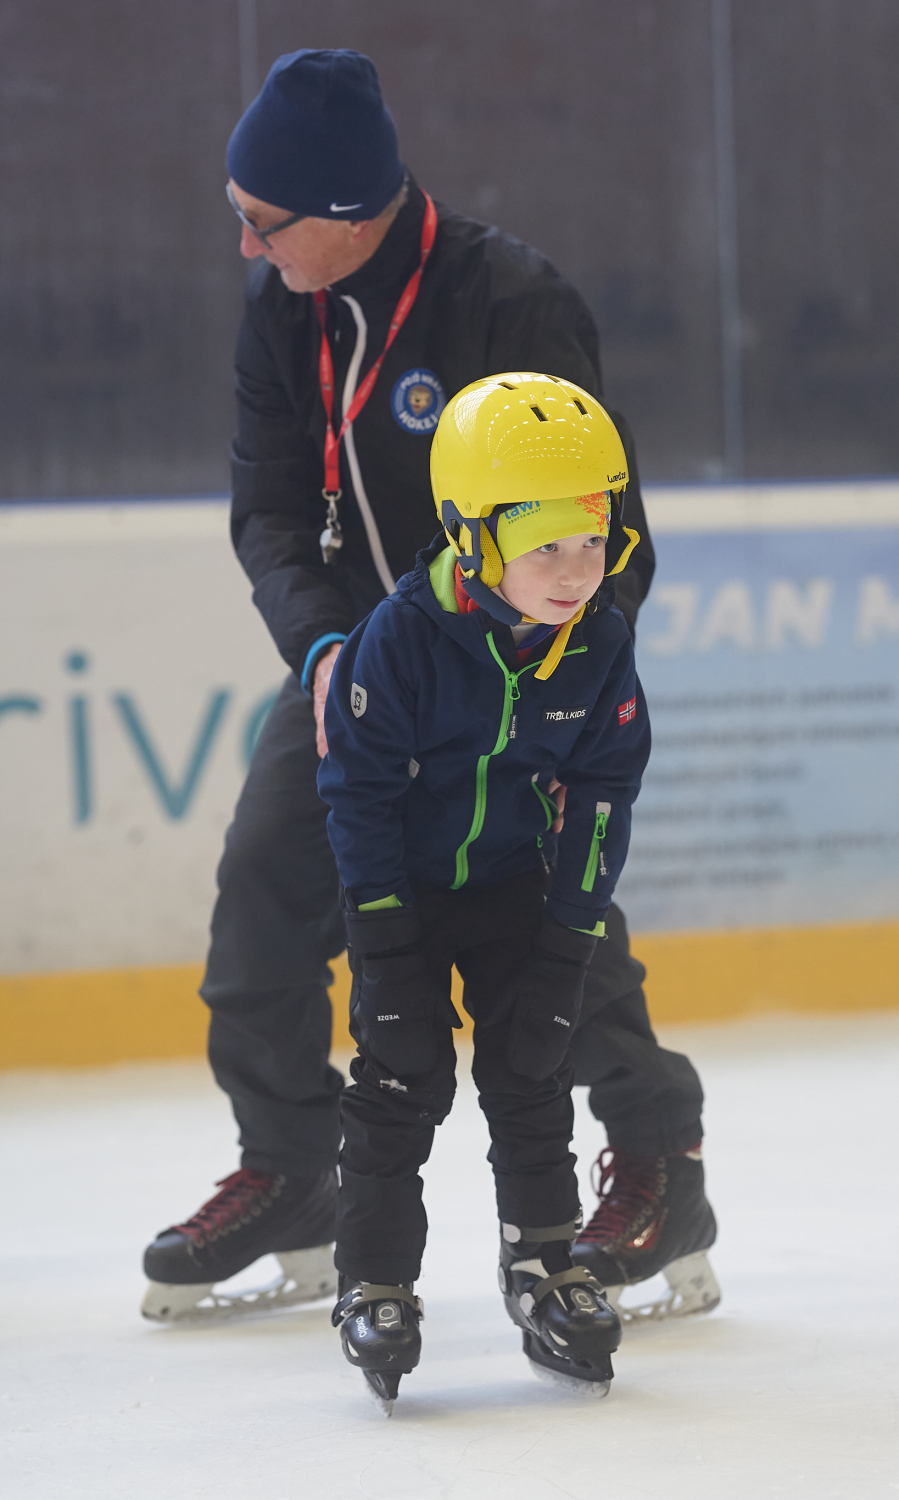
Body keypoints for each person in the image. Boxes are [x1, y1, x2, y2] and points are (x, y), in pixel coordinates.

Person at [140, 47, 718, 1325]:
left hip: (511, 672)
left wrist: (557, 677)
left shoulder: (508, 300)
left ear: (345, 211)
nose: (244, 245)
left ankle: (658, 1163)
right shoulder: (280, 311)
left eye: (261, 220)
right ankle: (292, 1169)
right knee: (264, 893)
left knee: (541, 932)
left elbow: (607, 525)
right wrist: (324, 655)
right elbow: (269, 514)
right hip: (356, 669)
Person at [323, 372, 649, 1411]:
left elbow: (605, 790)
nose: (575, 572)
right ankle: (375, 1281)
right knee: (401, 1074)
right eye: (545, 547)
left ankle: (544, 1264)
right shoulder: (401, 638)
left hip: (513, 882)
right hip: (404, 894)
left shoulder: (597, 639)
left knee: (531, 1066)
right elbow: (358, 794)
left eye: (593, 542)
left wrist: (570, 939)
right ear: (472, 538)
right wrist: (383, 947)